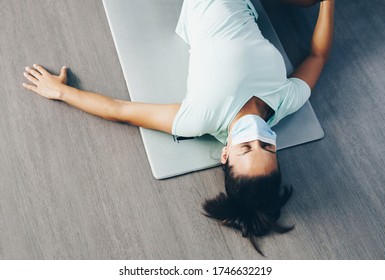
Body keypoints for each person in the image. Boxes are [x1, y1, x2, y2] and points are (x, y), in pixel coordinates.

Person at [22, 0, 334, 255]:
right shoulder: (285, 101)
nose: (257, 136)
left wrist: (61, 91)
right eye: (267, 146)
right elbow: (318, 54)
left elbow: (122, 111)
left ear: (225, 154)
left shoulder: (201, 119)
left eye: (245, 147)